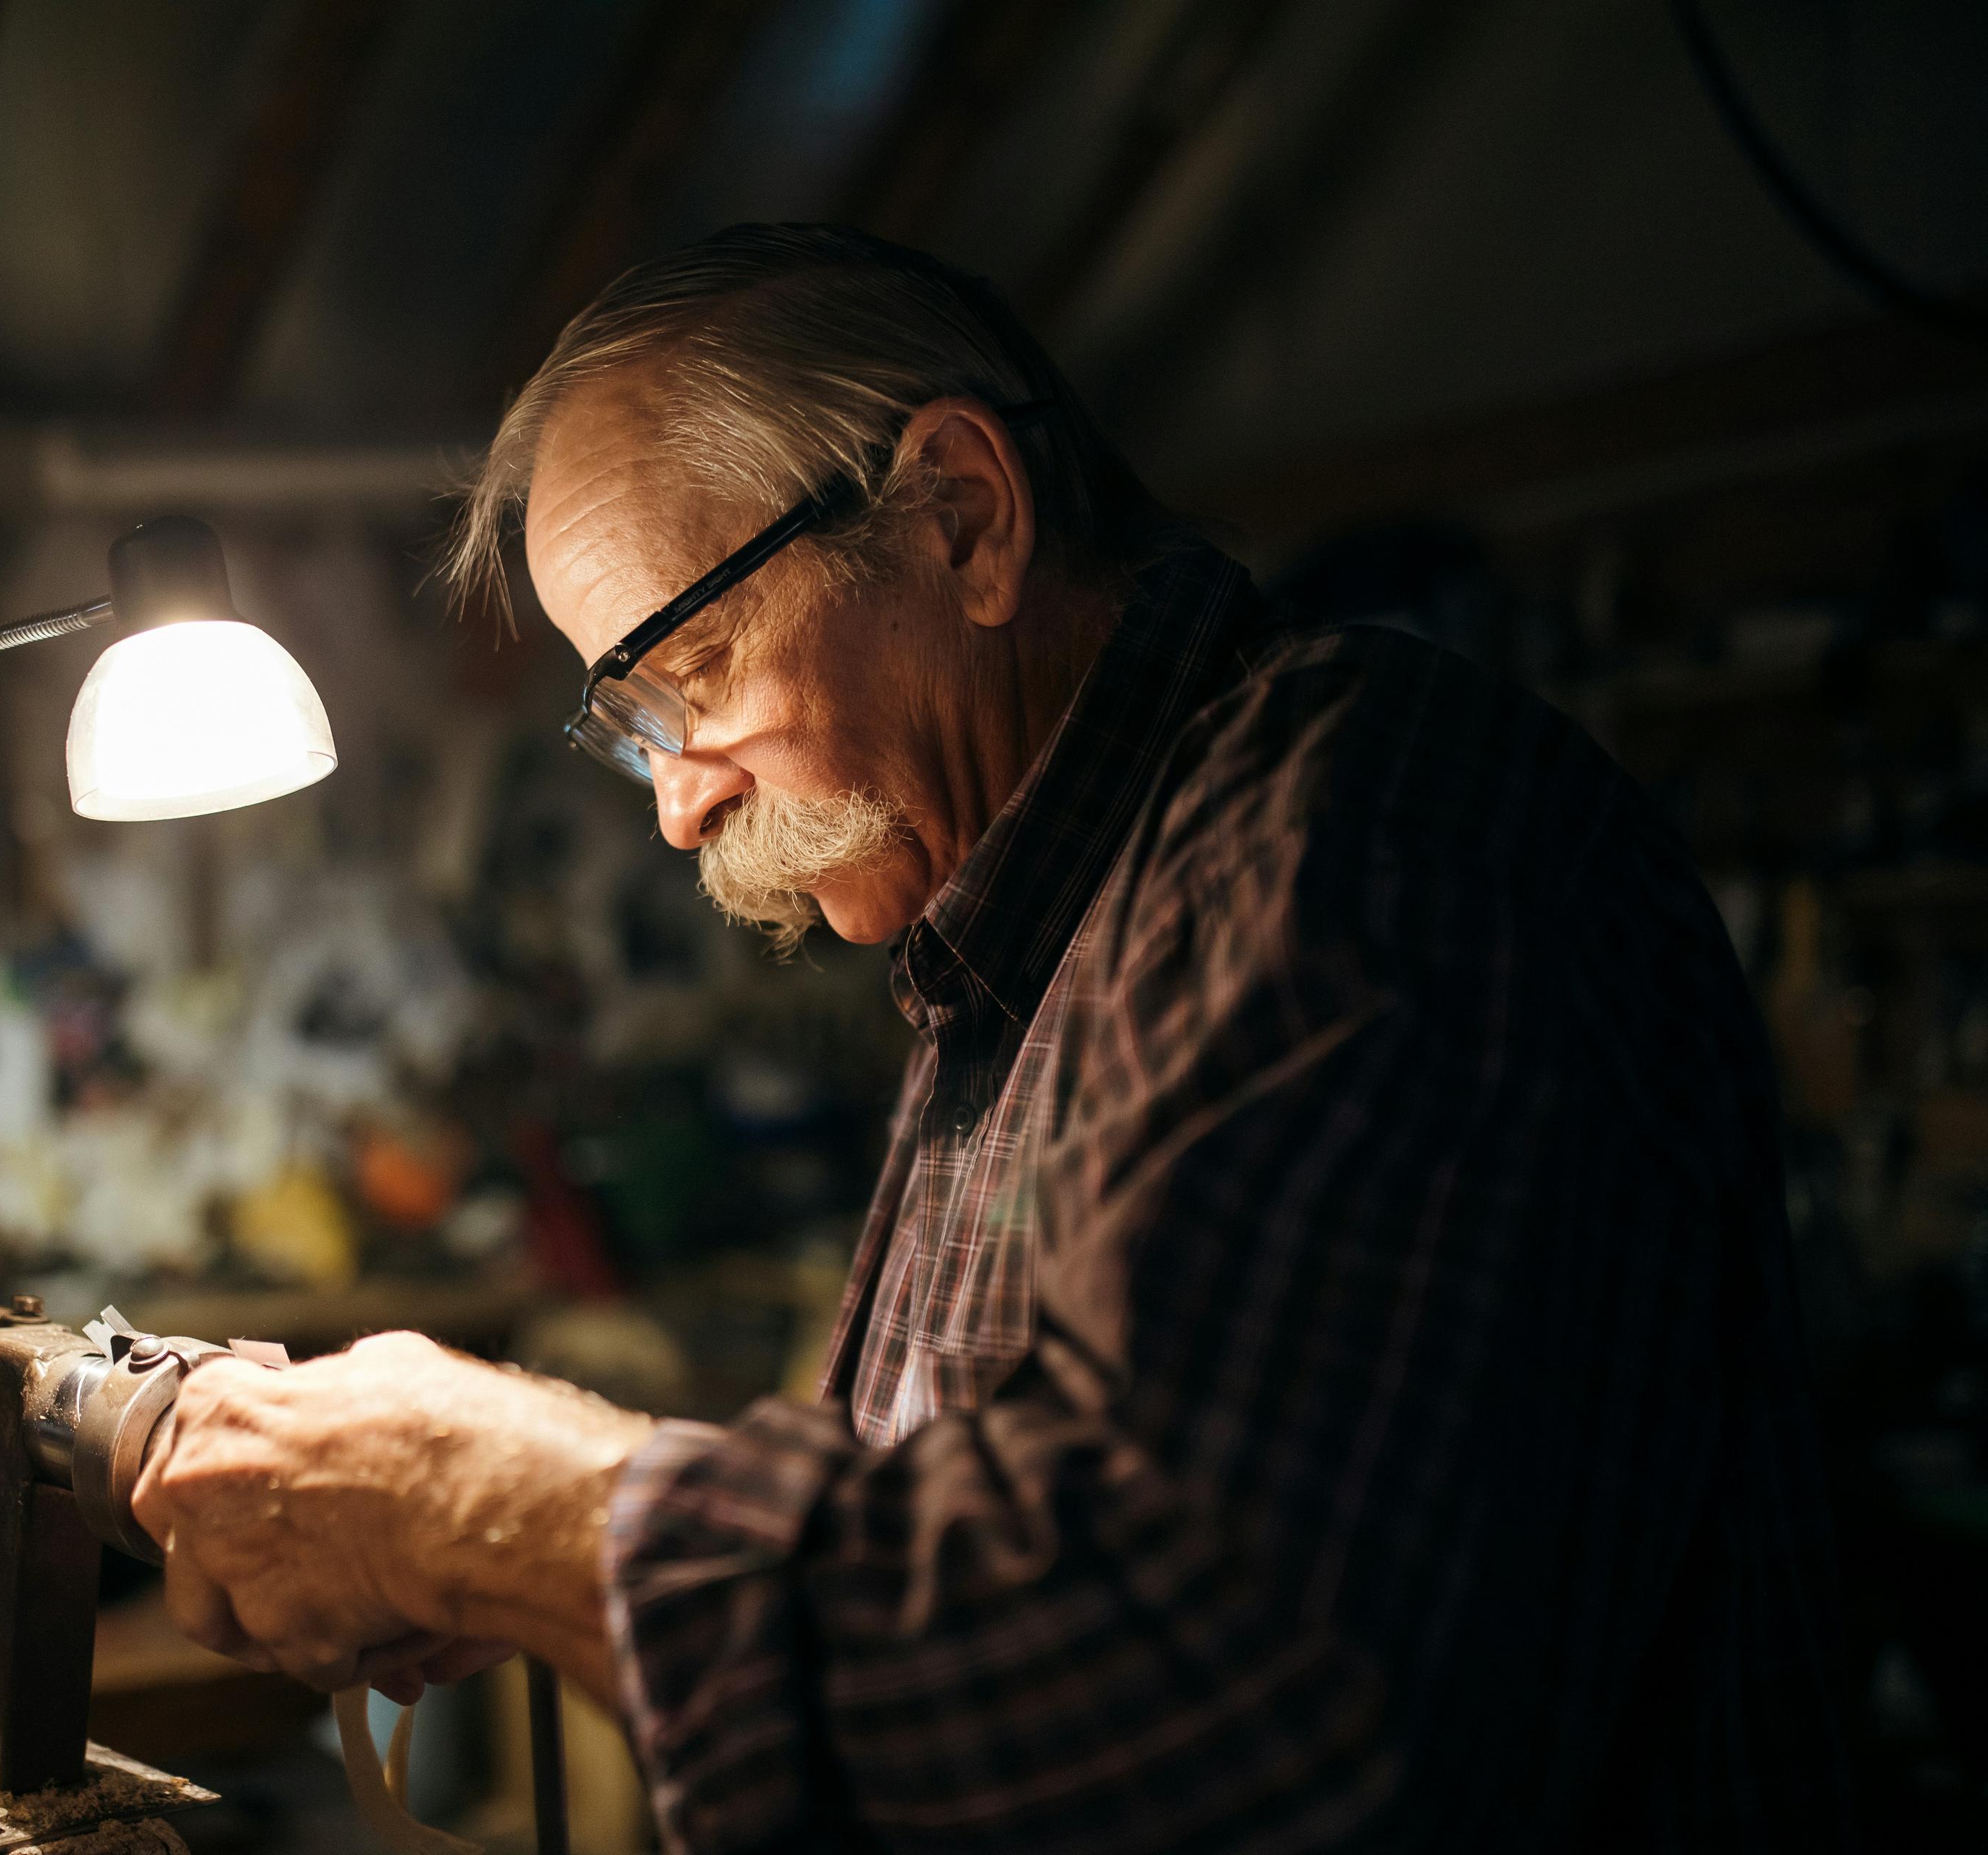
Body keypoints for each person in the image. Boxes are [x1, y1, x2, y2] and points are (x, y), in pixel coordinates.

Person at [127, 225, 1852, 1851]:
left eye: (697, 669)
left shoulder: (1364, 834)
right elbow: (949, 1564)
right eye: (628, 721)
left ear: (960, 515)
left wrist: (489, 1496)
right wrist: (509, 1545)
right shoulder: (1010, 956)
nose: (673, 805)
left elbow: (1211, 1700)